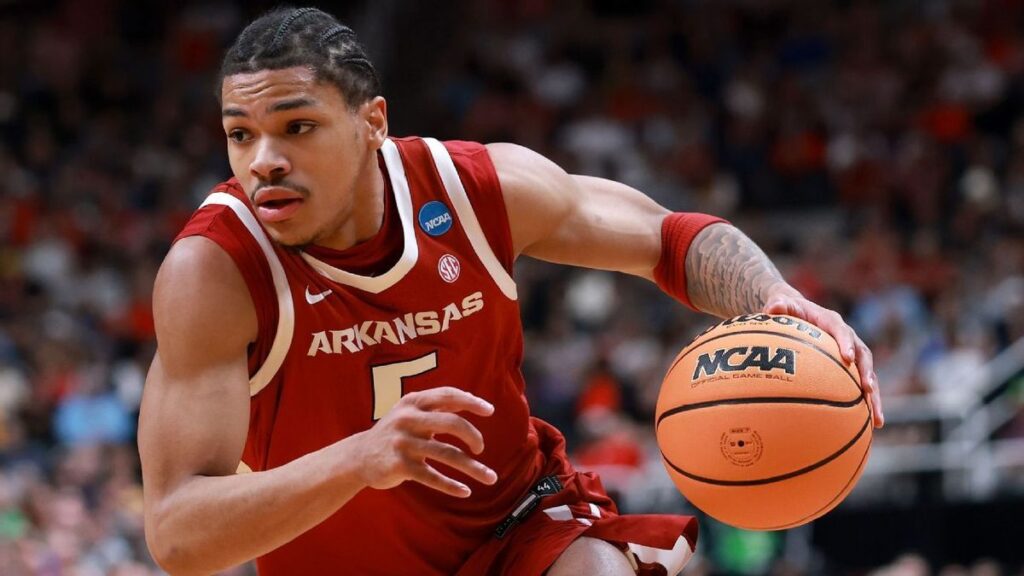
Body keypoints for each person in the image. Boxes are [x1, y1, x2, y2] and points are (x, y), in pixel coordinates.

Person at [138, 7, 884, 576]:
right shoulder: (215, 270)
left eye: (296, 127)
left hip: (518, 530)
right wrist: (358, 459)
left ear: (373, 123)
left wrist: (775, 295)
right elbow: (175, 532)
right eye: (241, 135)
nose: (263, 160)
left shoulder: (477, 190)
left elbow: (667, 236)